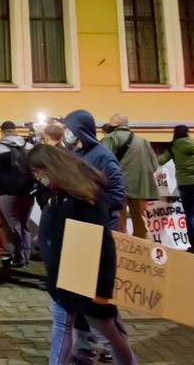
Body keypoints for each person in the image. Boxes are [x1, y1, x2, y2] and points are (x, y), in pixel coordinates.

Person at [28, 144, 138, 365]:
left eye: (37, 172)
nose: (37, 178)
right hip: (62, 279)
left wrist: (103, 288)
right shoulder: (59, 193)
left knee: (109, 335)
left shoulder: (85, 194)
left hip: (86, 283)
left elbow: (103, 242)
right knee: (61, 328)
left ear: (50, 167)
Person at [61, 109, 126, 364]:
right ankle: (84, 348)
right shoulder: (77, 154)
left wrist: (89, 205)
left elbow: (117, 196)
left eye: (70, 128)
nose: (67, 132)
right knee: (81, 296)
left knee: (102, 301)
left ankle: (114, 343)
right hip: (80, 234)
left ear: (81, 130)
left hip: (100, 233)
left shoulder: (103, 157)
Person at [157, 125, 194, 256]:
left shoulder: (173, 148)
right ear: (188, 133)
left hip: (185, 185)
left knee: (190, 215)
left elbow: (160, 160)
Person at [100, 114, 159, 240]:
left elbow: (103, 162)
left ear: (115, 124)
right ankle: (143, 251)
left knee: (120, 225)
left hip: (118, 187)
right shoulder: (142, 140)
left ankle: (123, 253)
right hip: (141, 188)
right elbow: (154, 165)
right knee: (141, 225)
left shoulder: (111, 138)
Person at [0, 121, 35, 268]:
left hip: (7, 193)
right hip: (28, 192)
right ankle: (26, 257)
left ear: (2, 133)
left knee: (12, 226)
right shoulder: (29, 147)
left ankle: (16, 257)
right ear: (15, 131)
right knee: (25, 224)